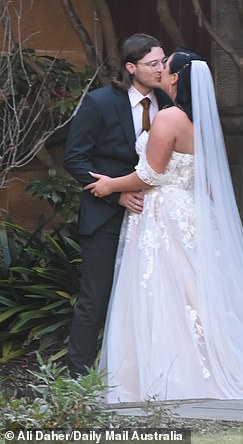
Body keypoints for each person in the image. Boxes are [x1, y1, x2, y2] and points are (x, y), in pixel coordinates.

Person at [87, 49, 243, 402]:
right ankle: (202, 367)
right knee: (192, 292)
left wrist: (110, 185)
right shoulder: (199, 123)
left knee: (164, 291)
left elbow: (151, 173)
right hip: (191, 212)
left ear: (176, 77)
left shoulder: (169, 118)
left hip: (165, 215)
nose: (159, 71)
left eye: (164, 67)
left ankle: (172, 375)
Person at [63, 33, 172, 378]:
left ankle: (139, 373)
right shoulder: (99, 102)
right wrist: (116, 192)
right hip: (105, 214)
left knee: (146, 296)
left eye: (162, 61)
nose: (159, 69)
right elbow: (74, 159)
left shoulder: (168, 106)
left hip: (154, 217)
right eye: (151, 63)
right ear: (131, 67)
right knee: (95, 296)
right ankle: (77, 374)